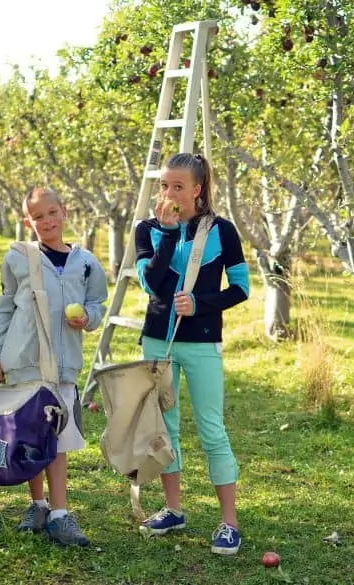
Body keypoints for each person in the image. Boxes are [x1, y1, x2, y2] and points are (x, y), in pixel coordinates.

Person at [134, 153, 250, 555]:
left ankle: (229, 522)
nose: (168, 194)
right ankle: (173, 508)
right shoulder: (147, 228)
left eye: (178, 187)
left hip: (201, 343)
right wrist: (167, 233)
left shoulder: (222, 230)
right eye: (164, 185)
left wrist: (200, 304)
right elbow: (152, 283)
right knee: (164, 429)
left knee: (211, 429)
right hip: (157, 342)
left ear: (197, 189)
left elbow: (241, 288)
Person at [0, 187, 108, 547]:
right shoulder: (18, 257)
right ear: (29, 221)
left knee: (58, 438)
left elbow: (97, 303)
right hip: (24, 361)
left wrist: (88, 317)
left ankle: (60, 512)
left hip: (63, 365)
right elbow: (5, 306)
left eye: (52, 213)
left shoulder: (86, 262)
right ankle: (37, 504)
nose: (47, 221)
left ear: (64, 211)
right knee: (30, 436)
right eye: (38, 217)